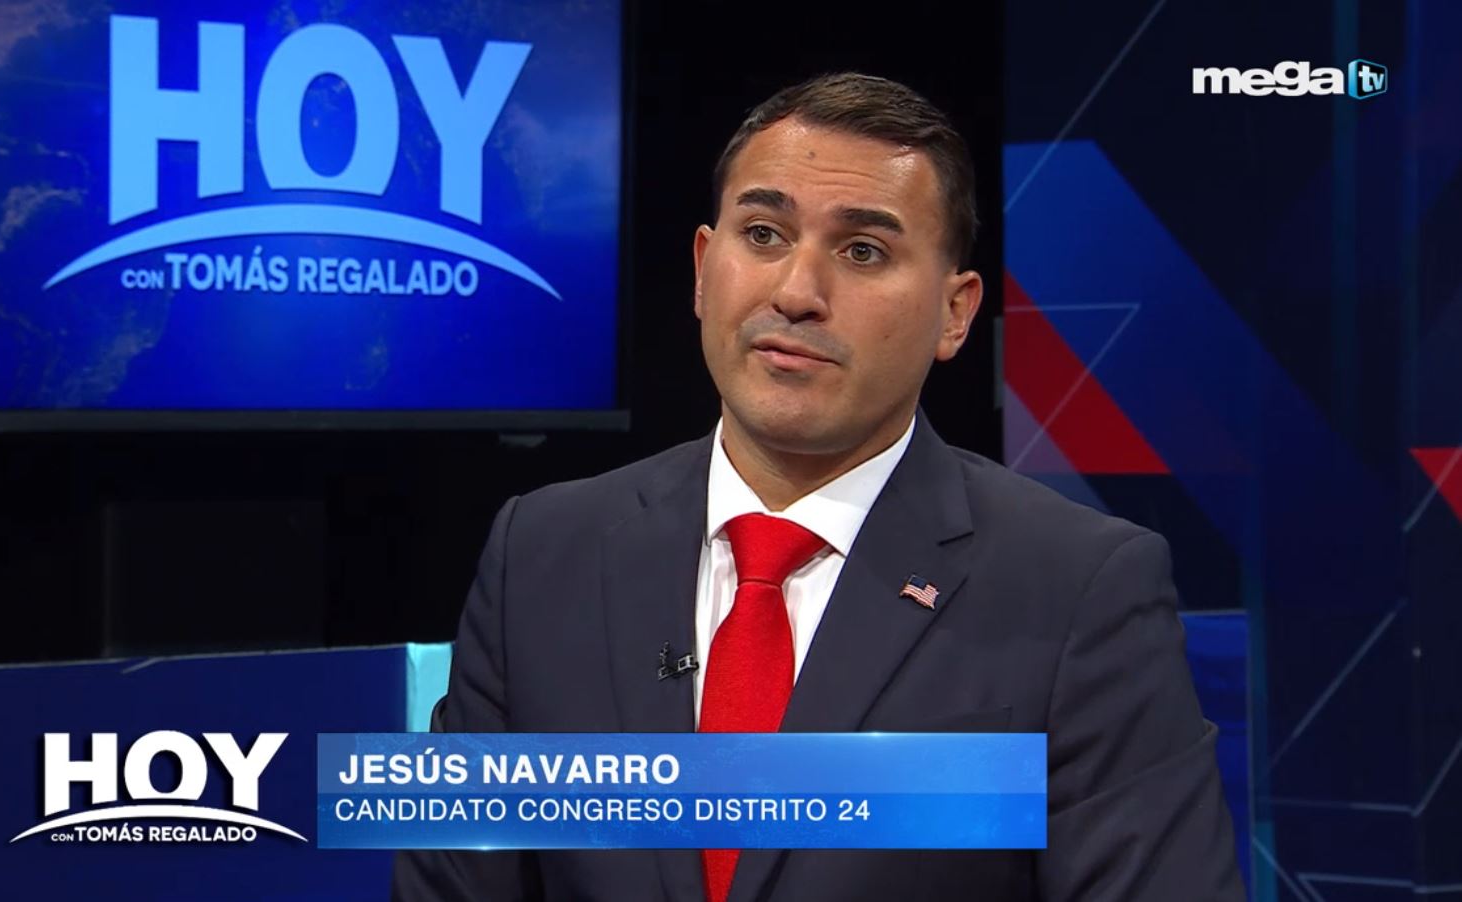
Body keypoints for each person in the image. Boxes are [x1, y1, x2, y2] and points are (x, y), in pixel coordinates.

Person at [393, 72, 1245, 902]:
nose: (796, 293)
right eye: (763, 234)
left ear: (954, 313)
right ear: (703, 268)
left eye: (862, 250)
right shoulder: (542, 554)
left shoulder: (1076, 587)